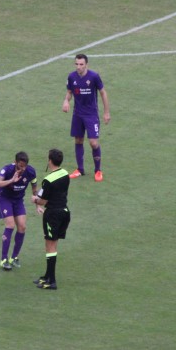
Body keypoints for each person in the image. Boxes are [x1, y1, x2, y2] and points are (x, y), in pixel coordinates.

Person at [62, 54, 110, 182]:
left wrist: (106, 112)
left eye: (81, 64)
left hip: (91, 115)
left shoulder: (94, 76)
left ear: (86, 65)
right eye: (76, 64)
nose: (78, 67)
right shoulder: (72, 77)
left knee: (93, 142)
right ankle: (80, 169)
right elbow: (69, 92)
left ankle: (98, 170)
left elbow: (103, 93)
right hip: (77, 114)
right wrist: (66, 101)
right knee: (78, 140)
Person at [30, 149, 71, 290]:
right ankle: (47, 276)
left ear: (50, 161)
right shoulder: (65, 173)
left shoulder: (48, 180)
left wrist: (35, 199)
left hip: (53, 214)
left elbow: (43, 201)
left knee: (50, 246)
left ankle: (51, 281)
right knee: (52, 244)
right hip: (64, 212)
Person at [0, 151, 37, 271]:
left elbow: (34, 186)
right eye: (20, 166)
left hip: (18, 200)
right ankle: (4, 260)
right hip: (4, 198)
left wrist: (37, 204)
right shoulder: (7, 170)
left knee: (22, 226)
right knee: (10, 225)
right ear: (15, 162)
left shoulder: (31, 172)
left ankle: (14, 257)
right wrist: (11, 180)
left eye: (24, 166)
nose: (22, 169)